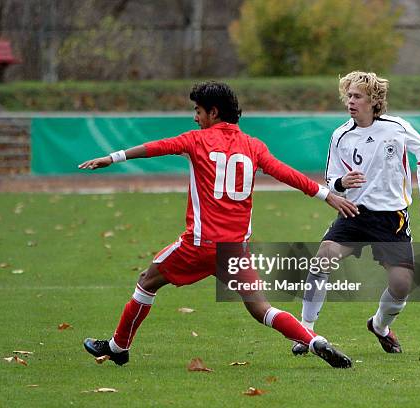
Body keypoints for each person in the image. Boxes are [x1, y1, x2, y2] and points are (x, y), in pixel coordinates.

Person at [79, 81, 359, 369]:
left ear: (213, 112)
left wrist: (113, 158)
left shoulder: (195, 141)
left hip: (198, 246)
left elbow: (155, 148)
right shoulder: (254, 146)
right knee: (261, 308)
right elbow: (286, 173)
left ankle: (118, 347)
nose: (195, 117)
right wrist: (327, 195)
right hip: (235, 250)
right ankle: (313, 341)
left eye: (198, 111)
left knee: (146, 282)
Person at [292, 71, 420, 356]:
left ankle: (380, 326)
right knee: (322, 258)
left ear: (374, 101)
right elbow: (331, 179)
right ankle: (304, 330)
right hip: (354, 214)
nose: (350, 101)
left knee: (401, 285)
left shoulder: (396, 127)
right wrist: (341, 183)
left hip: (391, 219)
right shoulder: (341, 135)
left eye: (357, 96)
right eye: (348, 95)